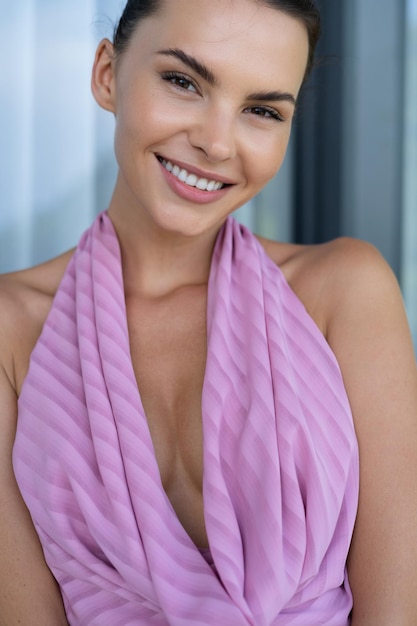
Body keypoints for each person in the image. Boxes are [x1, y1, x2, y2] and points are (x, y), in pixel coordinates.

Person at [1, 0, 416, 623]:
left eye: (262, 111)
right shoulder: (11, 326)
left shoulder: (344, 292)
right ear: (107, 74)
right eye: (183, 81)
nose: (217, 143)